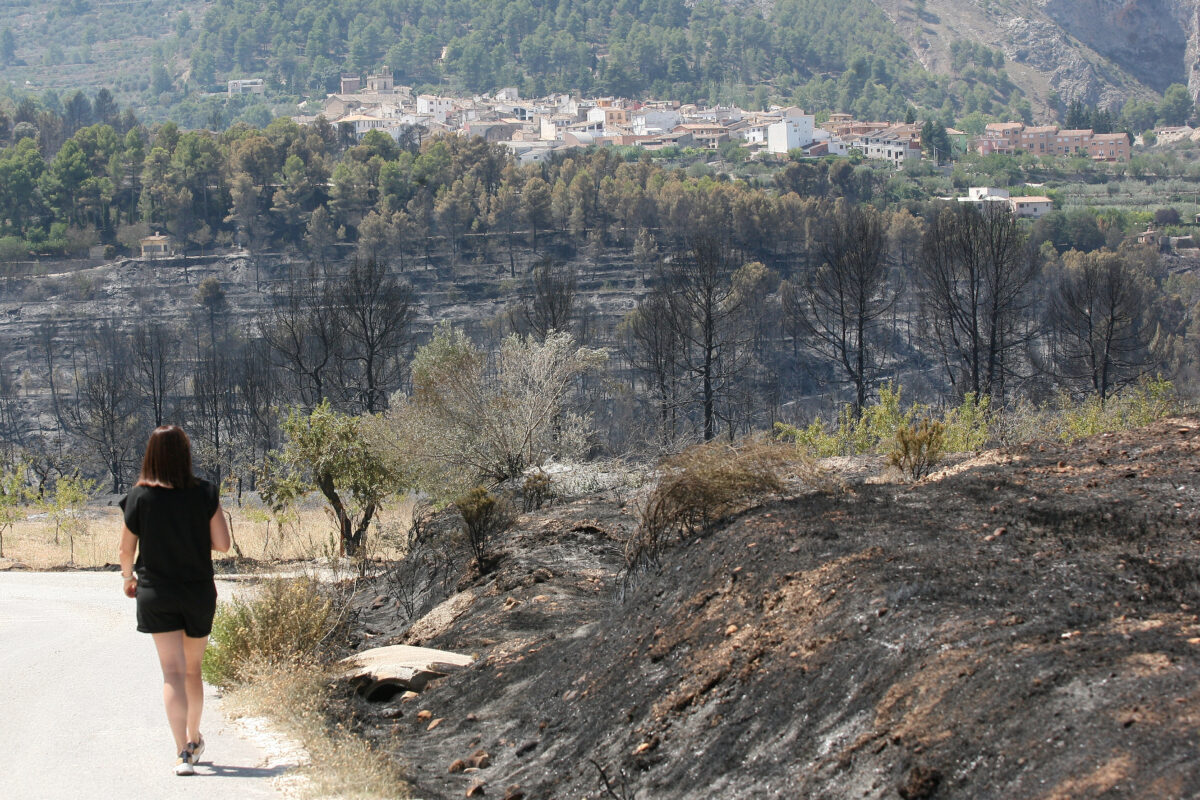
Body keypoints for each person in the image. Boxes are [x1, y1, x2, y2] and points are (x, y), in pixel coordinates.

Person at [117, 425, 231, 776]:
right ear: (186, 454)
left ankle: (181, 751)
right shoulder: (205, 493)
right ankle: (195, 739)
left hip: (155, 592)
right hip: (196, 592)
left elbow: (125, 550)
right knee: (193, 672)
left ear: (150, 455)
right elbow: (224, 544)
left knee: (172, 673)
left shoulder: (138, 497)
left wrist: (128, 578)